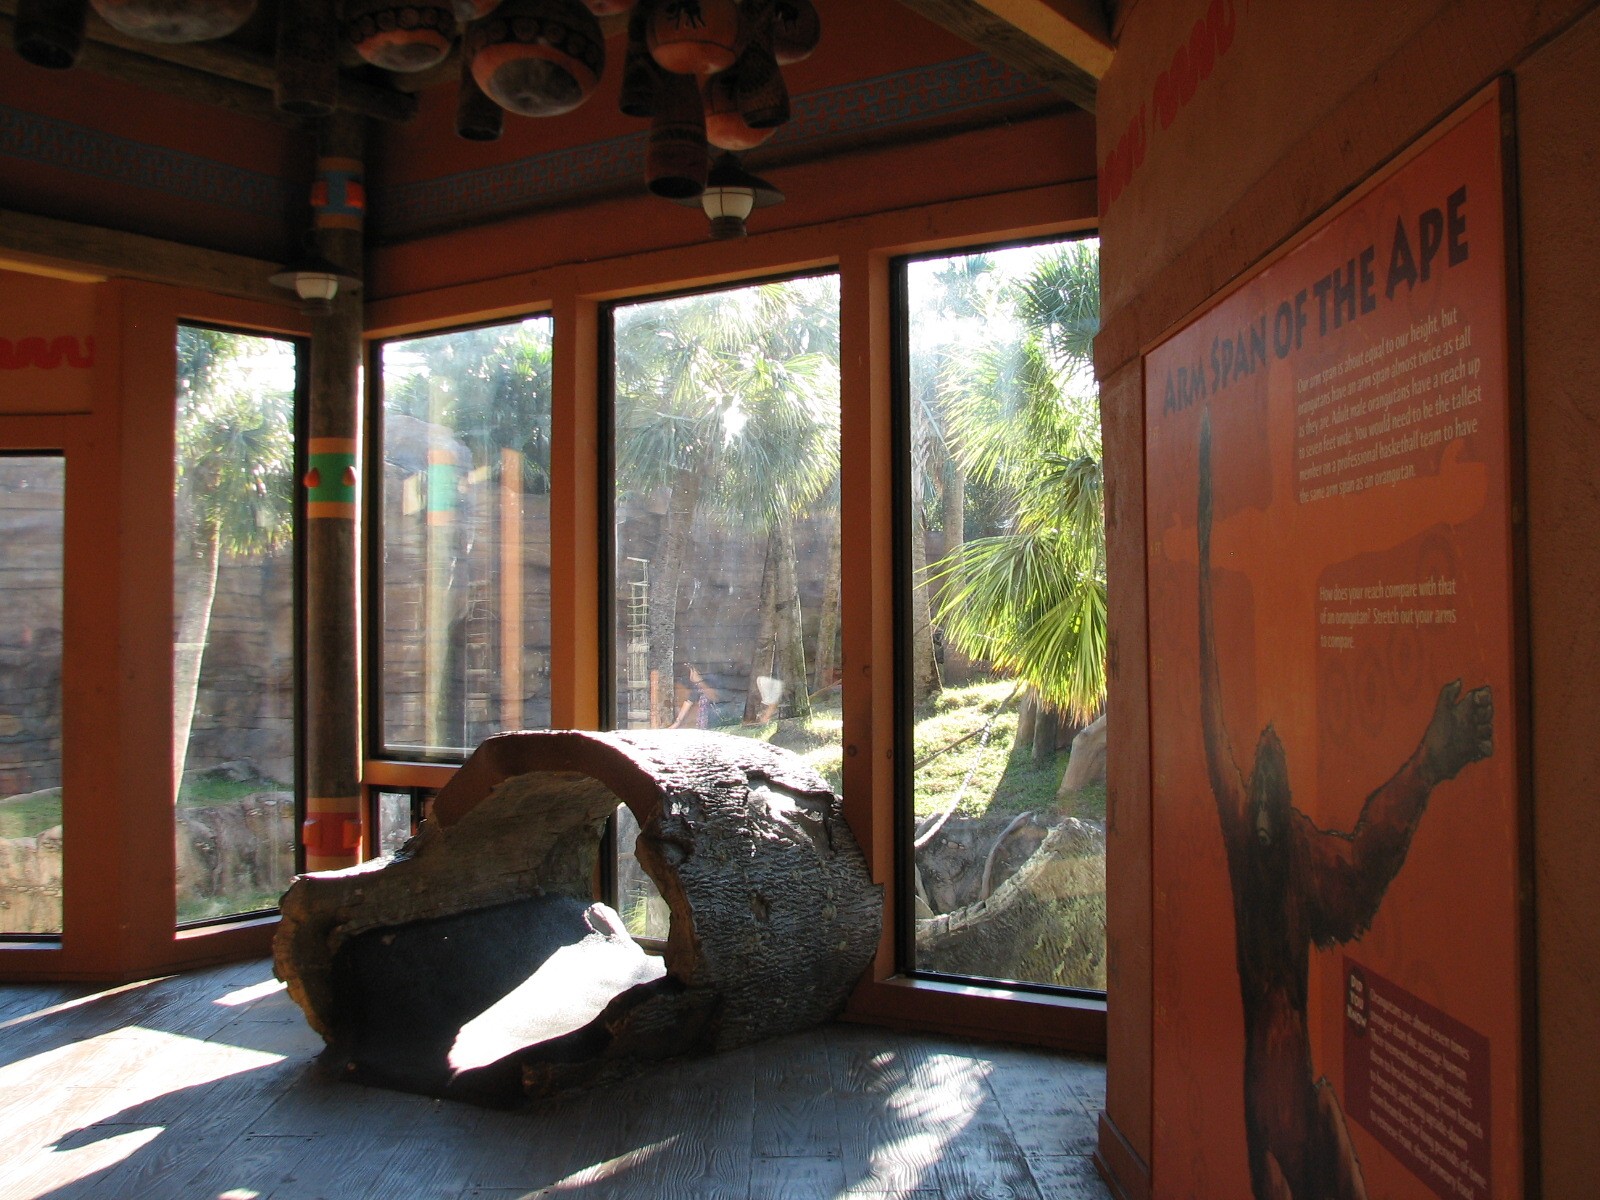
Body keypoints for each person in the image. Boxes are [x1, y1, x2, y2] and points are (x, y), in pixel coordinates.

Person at [1196, 414, 1494, 1200]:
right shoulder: (1250, 836)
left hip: (1293, 1083)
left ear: (1277, 798)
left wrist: (1428, 763)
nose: (1260, 803)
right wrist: (1199, 542)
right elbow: (1210, 718)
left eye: (1268, 790)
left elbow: (1361, 863)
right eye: (1259, 791)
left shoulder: (1287, 848)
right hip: (1272, 1077)